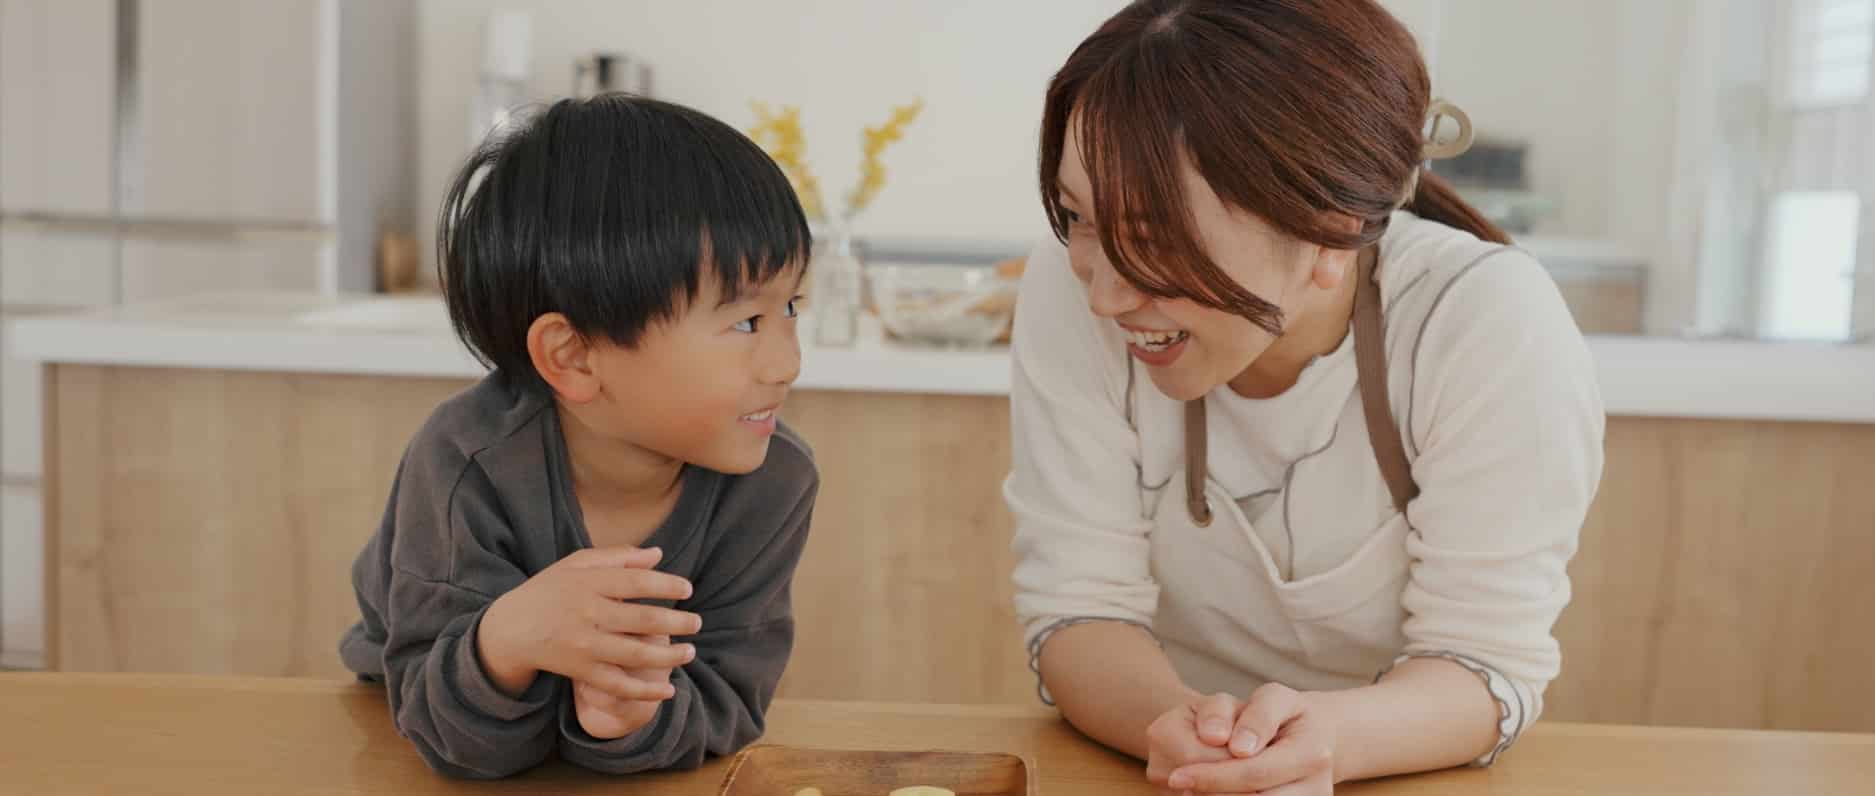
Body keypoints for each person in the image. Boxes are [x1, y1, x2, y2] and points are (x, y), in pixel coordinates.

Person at [1005, 1, 1605, 792]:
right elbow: (1078, 607)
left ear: (1328, 230)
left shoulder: (1482, 317)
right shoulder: (1063, 284)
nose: (1106, 296)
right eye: (1079, 218)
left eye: (1152, 237)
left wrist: (1321, 743)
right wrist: (1182, 733)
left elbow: (1483, 662)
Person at [339, 93, 819, 779]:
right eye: (745, 322)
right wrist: (507, 641)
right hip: (418, 717)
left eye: (791, 308)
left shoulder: (774, 479)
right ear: (573, 357)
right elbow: (449, 737)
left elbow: (728, 701)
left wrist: (631, 719)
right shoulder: (464, 461)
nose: (788, 363)